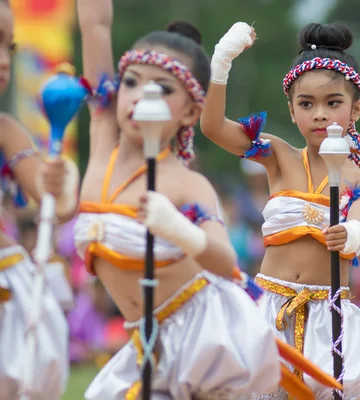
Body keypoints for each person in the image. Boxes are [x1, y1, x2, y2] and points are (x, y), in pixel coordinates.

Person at [74, 1, 301, 397]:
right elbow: (95, 24)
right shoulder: (102, 137)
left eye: (162, 88)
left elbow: (225, 260)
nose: (139, 94)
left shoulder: (185, 184)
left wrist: (179, 228)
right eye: (131, 81)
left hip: (202, 338)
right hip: (144, 343)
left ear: (189, 112)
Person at [201, 21, 360, 399]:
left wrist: (353, 233)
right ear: (292, 109)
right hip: (270, 309)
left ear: (356, 108)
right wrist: (221, 63)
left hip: (327, 315)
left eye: (333, 103)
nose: (319, 114)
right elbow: (214, 127)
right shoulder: (277, 156)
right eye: (306, 104)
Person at [0, 3, 79, 399]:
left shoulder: (6, 130)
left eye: (8, 48)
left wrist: (58, 181)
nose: (2, 60)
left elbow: (57, 206)